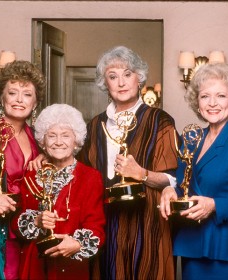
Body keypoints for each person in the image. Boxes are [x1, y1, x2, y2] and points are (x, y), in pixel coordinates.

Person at [76, 46, 178, 280]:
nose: (121, 82)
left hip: (148, 222)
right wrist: (46, 158)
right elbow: (80, 173)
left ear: (139, 78)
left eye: (127, 74)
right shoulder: (94, 126)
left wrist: (141, 173)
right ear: (106, 84)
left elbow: (173, 178)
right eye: (113, 77)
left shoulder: (159, 120)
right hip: (105, 221)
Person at [159, 63, 228, 280]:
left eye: (221, 96)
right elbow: (182, 182)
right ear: (197, 102)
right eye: (205, 96)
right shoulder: (191, 139)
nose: (212, 103)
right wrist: (169, 189)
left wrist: (214, 205)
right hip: (192, 241)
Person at [13, 104, 105, 279]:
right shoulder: (31, 175)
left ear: (76, 140)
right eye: (52, 135)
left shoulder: (91, 177)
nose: (58, 142)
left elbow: (96, 227)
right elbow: (15, 222)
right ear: (43, 141)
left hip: (72, 267)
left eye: (66, 135)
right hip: (34, 265)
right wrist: (36, 221)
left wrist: (77, 244)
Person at [0, 60, 46, 279]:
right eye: (12, 92)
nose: (19, 100)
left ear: (35, 102)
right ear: (1, 97)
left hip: (31, 234)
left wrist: (47, 157)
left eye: (26, 94)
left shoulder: (40, 140)